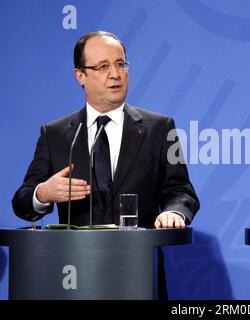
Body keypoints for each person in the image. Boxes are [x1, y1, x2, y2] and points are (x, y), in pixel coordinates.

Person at [12, 31, 200, 298]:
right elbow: (21, 202)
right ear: (80, 75)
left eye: (121, 64)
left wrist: (175, 212)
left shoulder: (159, 128)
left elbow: (181, 191)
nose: (115, 74)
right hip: (72, 276)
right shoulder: (55, 134)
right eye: (102, 67)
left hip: (139, 275)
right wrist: (42, 193)